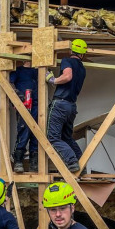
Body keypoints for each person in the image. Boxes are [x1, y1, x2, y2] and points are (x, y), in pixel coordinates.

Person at [45, 39, 88, 173]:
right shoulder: (82, 68)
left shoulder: (67, 60)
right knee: (66, 138)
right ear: (83, 54)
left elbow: (67, 76)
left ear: (71, 50)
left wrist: (53, 80)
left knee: (52, 138)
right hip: (71, 107)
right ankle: (82, 165)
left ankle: (72, 162)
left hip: (60, 104)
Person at [10, 61, 39, 173]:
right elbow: (10, 83)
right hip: (24, 104)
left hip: (37, 105)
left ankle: (34, 163)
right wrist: (17, 93)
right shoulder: (18, 70)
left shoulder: (37, 71)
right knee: (24, 129)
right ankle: (18, 159)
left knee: (36, 132)